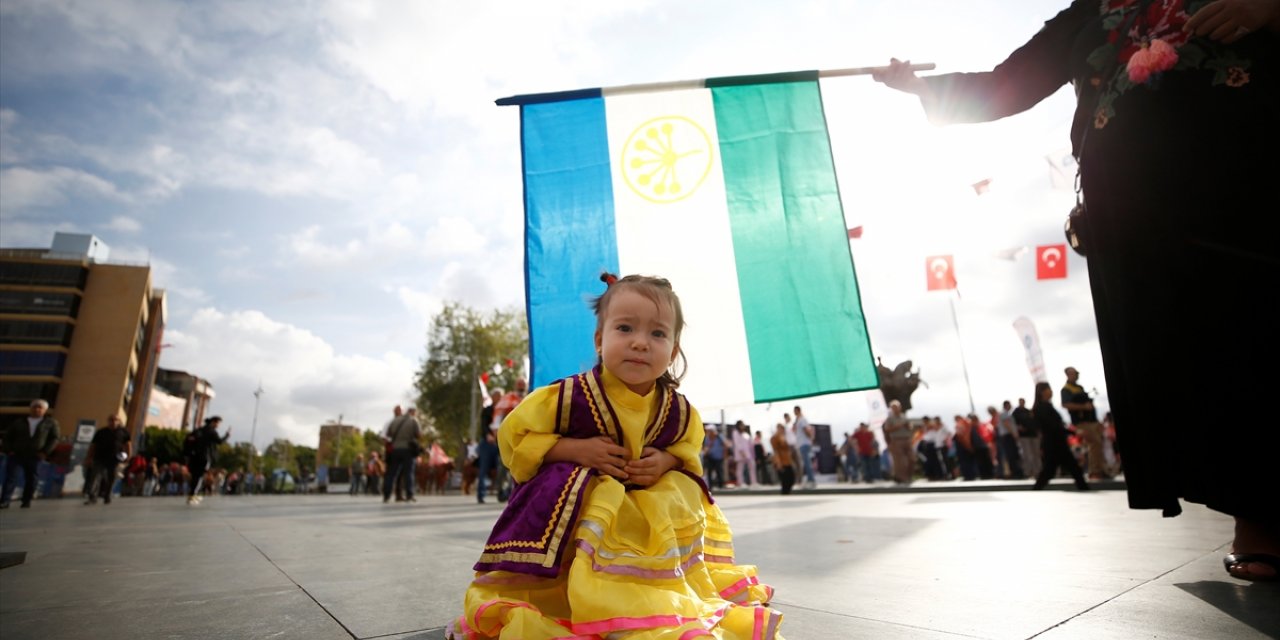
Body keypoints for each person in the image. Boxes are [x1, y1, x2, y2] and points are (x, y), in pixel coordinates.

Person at [873, 0, 1280, 582]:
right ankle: (1259, 519)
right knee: (1192, 351)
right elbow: (1006, 84)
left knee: (1259, 319)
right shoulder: (1085, 13)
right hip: (1133, 210)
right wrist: (917, 87)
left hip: (1243, 174)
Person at [449, 273, 781, 638]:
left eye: (657, 334)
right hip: (584, 515)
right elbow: (514, 435)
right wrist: (573, 449)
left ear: (672, 352)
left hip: (650, 513)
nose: (640, 343)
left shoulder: (680, 410)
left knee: (681, 490)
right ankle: (584, 596)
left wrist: (666, 462)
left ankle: (648, 596)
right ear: (599, 340)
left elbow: (688, 448)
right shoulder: (567, 395)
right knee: (594, 498)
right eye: (625, 328)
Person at [1030, 382, 1090, 492]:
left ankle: (1036, 489)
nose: (1051, 391)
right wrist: (1073, 432)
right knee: (1067, 468)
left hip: (1055, 443)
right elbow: (1054, 426)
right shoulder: (1042, 408)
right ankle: (1083, 487)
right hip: (1054, 443)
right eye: (1049, 389)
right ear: (1042, 392)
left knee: (1051, 470)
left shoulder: (1045, 406)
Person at [1, 399, 60, 509]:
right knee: (11, 477)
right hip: (17, 454)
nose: (37, 409)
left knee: (32, 478)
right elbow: (8, 436)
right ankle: (5, 500)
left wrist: (45, 452)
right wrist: (8, 449)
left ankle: (26, 500)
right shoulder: (19, 422)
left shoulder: (50, 423)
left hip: (35, 455)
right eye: (35, 407)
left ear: (44, 410)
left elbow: (54, 438)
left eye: (40, 408)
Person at [1060, 367, 1107, 480]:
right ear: (1068, 374)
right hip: (1081, 422)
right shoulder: (1066, 389)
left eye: (1077, 373)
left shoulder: (1079, 388)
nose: (1076, 375)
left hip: (1092, 421)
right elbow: (1066, 404)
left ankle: (1101, 470)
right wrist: (1083, 407)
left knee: (1098, 444)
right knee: (1094, 442)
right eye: (1074, 373)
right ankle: (1094, 471)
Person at [84, 415, 131, 505]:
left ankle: (107, 495)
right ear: (108, 421)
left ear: (119, 421)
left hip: (114, 459)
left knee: (111, 478)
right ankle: (92, 497)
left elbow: (128, 445)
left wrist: (128, 456)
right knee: (95, 477)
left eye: (115, 420)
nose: (113, 422)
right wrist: (89, 457)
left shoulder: (123, 432)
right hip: (99, 457)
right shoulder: (101, 432)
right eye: (111, 420)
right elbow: (93, 445)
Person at [184, 416, 230, 505]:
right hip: (204, 457)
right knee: (199, 476)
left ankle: (193, 494)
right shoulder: (211, 431)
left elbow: (190, 438)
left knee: (195, 476)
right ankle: (192, 496)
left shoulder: (200, 430)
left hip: (194, 456)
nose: (218, 425)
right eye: (218, 423)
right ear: (213, 422)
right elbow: (219, 441)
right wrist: (227, 435)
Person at [382, 405, 422, 504]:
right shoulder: (414, 420)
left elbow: (389, 434)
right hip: (408, 449)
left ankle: (386, 495)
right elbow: (419, 435)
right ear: (412, 412)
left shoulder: (394, 421)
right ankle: (409, 495)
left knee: (391, 473)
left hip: (395, 450)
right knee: (408, 473)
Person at [882, 400, 913, 485]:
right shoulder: (890, 418)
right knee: (900, 461)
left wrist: (908, 426)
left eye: (897, 407)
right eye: (894, 407)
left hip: (907, 439)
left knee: (911, 458)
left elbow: (910, 427)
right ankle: (901, 478)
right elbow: (887, 429)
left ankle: (909, 476)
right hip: (896, 440)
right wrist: (898, 426)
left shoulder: (904, 416)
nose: (896, 409)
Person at [1013, 397, 1042, 480]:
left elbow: (1035, 421)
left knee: (1036, 454)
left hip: (1033, 435)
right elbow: (1014, 423)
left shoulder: (1028, 411)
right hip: (1024, 436)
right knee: (1027, 454)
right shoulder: (1016, 412)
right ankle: (1028, 472)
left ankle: (1038, 471)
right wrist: (1019, 428)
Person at [793, 405, 816, 488]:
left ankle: (811, 481)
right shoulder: (799, 420)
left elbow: (806, 430)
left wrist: (810, 439)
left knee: (807, 463)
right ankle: (809, 480)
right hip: (802, 444)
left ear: (798, 410)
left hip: (804, 443)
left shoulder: (802, 419)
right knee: (805, 463)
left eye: (795, 411)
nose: (794, 413)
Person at [473, 429, 499, 504]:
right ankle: (481, 495)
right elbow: (484, 425)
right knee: (483, 474)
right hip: (487, 446)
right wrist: (487, 434)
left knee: (502, 472)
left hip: (497, 445)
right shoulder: (484, 442)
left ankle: (503, 493)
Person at [702, 424, 726, 490]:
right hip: (710, 457)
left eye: (709, 430)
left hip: (719, 457)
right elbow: (706, 447)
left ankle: (721, 486)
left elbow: (725, 445)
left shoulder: (719, 436)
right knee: (709, 472)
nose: (708, 432)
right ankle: (710, 487)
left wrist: (724, 455)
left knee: (719, 471)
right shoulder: (707, 438)